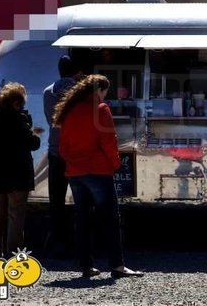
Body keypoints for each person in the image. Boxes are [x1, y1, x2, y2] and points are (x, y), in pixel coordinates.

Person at [53, 74, 143, 278]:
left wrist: (72, 163)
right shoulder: (101, 110)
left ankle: (86, 266)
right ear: (98, 91)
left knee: (82, 219)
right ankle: (117, 266)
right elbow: (108, 140)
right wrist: (116, 163)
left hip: (75, 173)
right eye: (104, 92)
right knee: (110, 219)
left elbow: (63, 146)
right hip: (98, 170)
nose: (105, 96)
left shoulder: (69, 110)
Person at [0, 82, 42, 257]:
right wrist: (33, 132)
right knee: (16, 215)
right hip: (18, 176)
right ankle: (13, 253)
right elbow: (33, 144)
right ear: (16, 103)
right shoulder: (19, 120)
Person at [43, 55, 79, 255]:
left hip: (55, 148)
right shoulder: (80, 92)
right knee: (81, 196)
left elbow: (51, 120)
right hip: (76, 151)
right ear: (75, 71)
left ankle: (56, 238)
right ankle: (76, 240)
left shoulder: (48, 91)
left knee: (56, 198)